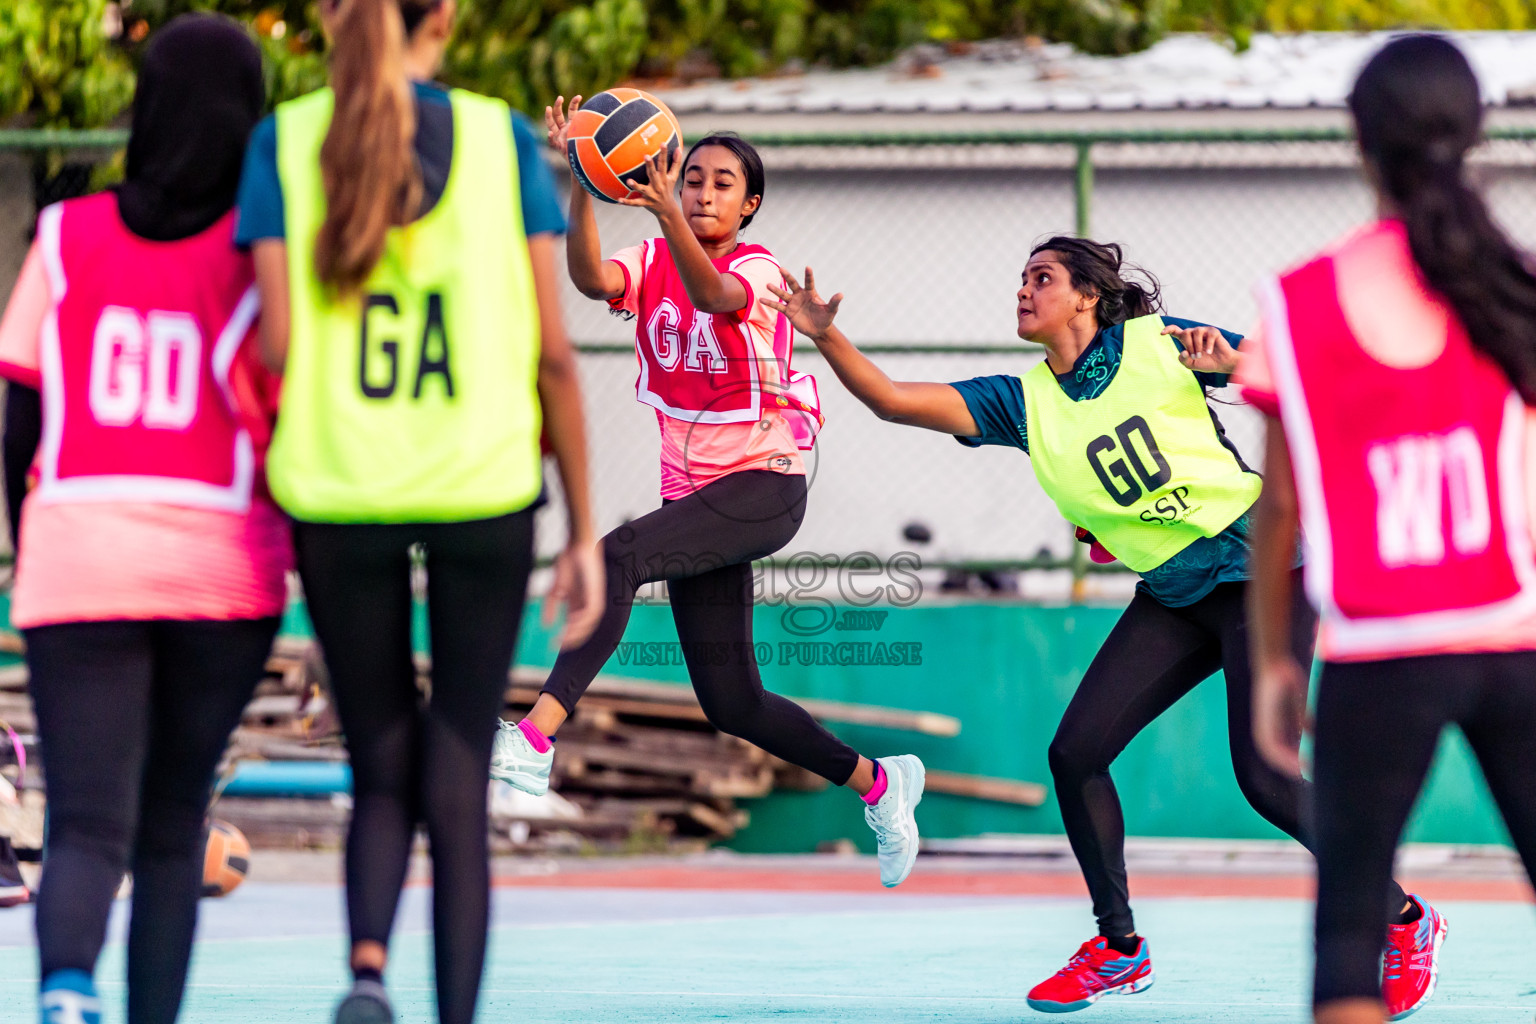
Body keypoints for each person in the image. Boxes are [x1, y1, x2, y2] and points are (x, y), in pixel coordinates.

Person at [763, 240, 1432, 1013]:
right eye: (1019, 278)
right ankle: (1118, 948)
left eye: (1041, 278)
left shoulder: (1157, 343)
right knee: (1075, 752)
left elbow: (1292, 383)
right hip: (1176, 592)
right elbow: (891, 399)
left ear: (1087, 296)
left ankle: (1404, 919)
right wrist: (825, 335)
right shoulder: (1022, 403)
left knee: (1266, 777)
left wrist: (1235, 364)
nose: (1023, 289)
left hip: (1264, 574)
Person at [235, 2, 602, 1022]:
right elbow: (553, 356)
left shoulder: (289, 137)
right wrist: (582, 530)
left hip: (340, 482)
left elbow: (271, 344)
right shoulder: (496, 136)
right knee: (457, 751)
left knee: (377, 747)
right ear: (443, 17)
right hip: (480, 484)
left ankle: (364, 970)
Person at [489, 102, 925, 887]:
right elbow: (591, 280)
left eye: (722, 184)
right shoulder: (652, 256)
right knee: (734, 703)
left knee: (616, 556)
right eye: (691, 179)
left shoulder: (756, 270)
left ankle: (536, 738)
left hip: (764, 486)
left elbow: (714, 294)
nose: (701, 192)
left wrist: (664, 220)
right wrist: (583, 177)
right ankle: (881, 783)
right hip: (699, 499)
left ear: (748, 204)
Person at [0, 16, 287, 1024]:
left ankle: (65, 992)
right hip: (221, 565)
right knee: (172, 824)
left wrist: (29, 540)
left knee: (83, 822)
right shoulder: (264, 256)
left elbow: (20, 411)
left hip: (75, 556)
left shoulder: (67, 234)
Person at [1245, 34, 1536, 1024]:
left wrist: (1280, 666)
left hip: (1379, 648)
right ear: (1476, 134)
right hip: (1514, 633)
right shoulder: (1517, 286)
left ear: (1358, 143)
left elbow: (1278, 508)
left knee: (1348, 935)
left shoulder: (1297, 302)